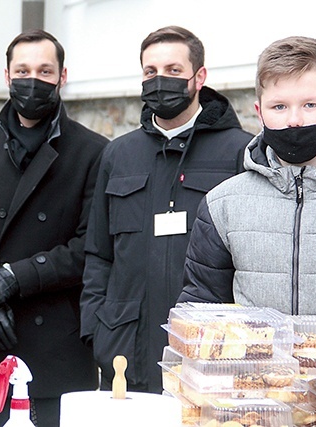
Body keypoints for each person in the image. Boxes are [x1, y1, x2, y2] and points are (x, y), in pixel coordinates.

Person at [0, 29, 107, 426]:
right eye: (24, 70)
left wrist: (14, 278)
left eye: (45, 71)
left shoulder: (93, 151)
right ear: (7, 76)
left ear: (63, 77)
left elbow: (89, 246)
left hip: (57, 353)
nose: (34, 80)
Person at [80, 26, 253, 394]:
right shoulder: (118, 155)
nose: (161, 81)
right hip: (126, 353)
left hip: (208, 356)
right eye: (150, 72)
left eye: (174, 70)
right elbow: (98, 254)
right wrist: (97, 330)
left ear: (199, 77)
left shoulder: (239, 152)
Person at [178, 36, 316, 316]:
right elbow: (200, 310)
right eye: (279, 107)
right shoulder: (223, 204)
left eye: (310, 105)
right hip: (257, 361)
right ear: (260, 113)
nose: (294, 120)